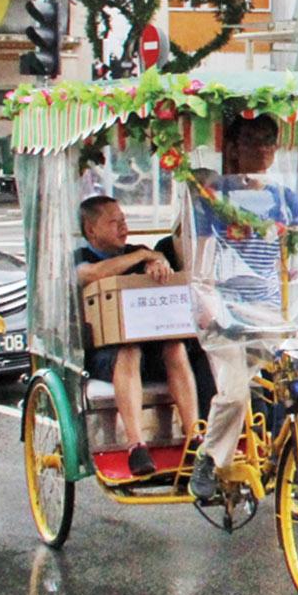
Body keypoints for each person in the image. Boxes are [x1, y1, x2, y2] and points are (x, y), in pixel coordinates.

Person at [186, 113, 298, 504]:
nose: (262, 149)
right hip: (224, 315)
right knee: (234, 394)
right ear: (232, 148)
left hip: (267, 314)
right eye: (251, 141)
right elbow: (201, 256)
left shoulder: (283, 197)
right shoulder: (214, 196)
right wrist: (203, 302)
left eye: (268, 141)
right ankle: (210, 458)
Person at [75, 196, 201, 481]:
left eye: (124, 221)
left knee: (175, 346)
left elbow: (159, 261)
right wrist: (143, 256)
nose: (123, 227)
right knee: (128, 350)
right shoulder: (81, 258)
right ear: (91, 229)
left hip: (153, 347)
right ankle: (136, 445)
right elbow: (93, 275)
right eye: (114, 222)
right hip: (105, 352)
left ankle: (194, 437)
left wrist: (156, 262)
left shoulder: (140, 252)